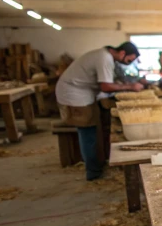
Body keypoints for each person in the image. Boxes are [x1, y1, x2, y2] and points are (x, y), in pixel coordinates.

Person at [56, 42, 143, 180]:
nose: (128, 63)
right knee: (87, 132)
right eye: (129, 60)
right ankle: (93, 172)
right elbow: (106, 86)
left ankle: (97, 164)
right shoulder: (104, 58)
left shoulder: (105, 56)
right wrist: (131, 86)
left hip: (82, 93)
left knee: (92, 130)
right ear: (122, 53)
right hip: (75, 95)